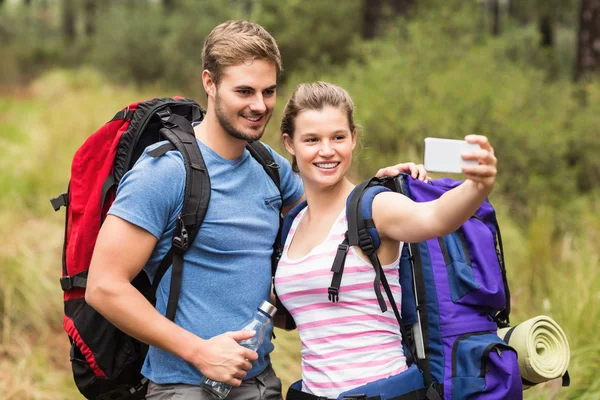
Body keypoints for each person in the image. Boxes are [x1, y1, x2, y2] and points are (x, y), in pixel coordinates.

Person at [86, 21, 426, 400]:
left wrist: (381, 186)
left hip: (261, 384)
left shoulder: (271, 167)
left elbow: (330, 214)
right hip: (184, 386)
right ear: (209, 83)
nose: (259, 105)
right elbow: (104, 286)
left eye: (268, 91)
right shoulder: (164, 171)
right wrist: (199, 352)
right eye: (244, 91)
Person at [274, 82, 498, 399]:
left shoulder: (375, 207)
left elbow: (434, 217)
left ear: (353, 138)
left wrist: (478, 186)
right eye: (312, 139)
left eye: (338, 137)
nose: (327, 150)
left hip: (382, 392)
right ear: (290, 143)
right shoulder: (292, 224)